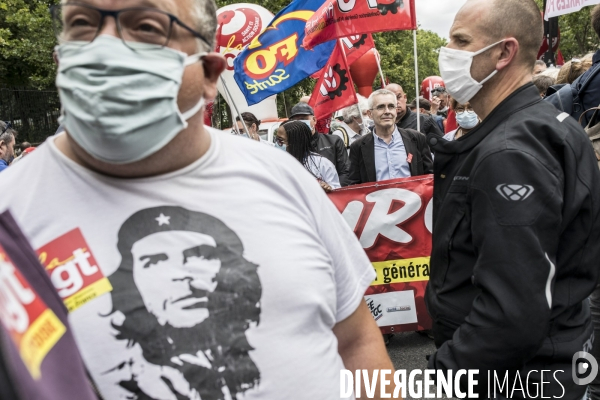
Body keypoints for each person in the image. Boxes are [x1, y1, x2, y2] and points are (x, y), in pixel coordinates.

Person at [0, 0, 394, 398]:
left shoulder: (280, 176)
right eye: (82, 24)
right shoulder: (9, 215)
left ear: (209, 74)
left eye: (147, 27)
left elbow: (356, 341)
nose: (105, 47)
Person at [428, 1, 600, 399]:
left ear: (504, 52)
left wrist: (440, 379)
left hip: (519, 379)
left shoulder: (510, 152)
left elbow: (511, 315)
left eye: (461, 40)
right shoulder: (549, 126)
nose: (447, 51)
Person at [348, 89, 433, 185]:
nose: (387, 111)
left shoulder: (416, 139)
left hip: (412, 199)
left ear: (396, 111)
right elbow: (354, 185)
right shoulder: (358, 147)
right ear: (370, 114)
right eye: (381, 107)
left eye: (391, 106)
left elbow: (429, 177)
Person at [288, 102, 351, 186]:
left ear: (314, 120)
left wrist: (333, 190)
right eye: (296, 120)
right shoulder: (289, 148)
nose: (300, 123)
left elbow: (345, 173)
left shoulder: (333, 141)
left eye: (303, 118)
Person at [276, 121, 340, 191]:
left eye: (280, 140)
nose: (277, 143)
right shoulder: (275, 163)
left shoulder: (322, 164)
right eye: (276, 139)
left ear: (295, 142)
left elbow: (337, 191)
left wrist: (327, 189)